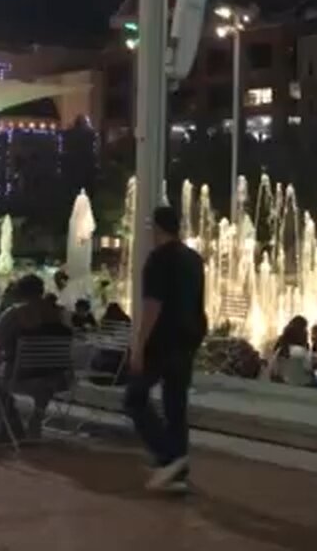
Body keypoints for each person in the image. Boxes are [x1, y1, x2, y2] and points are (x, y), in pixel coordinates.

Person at [125, 206, 207, 492]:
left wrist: (139, 346)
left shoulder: (158, 259)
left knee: (134, 397)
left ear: (157, 228)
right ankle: (177, 473)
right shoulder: (195, 260)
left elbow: (152, 306)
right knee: (176, 405)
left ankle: (169, 455)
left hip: (161, 340)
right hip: (187, 339)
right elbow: (199, 304)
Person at [0, 274, 73, 440]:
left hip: (22, 378)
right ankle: (36, 419)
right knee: (44, 371)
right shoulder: (60, 314)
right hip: (57, 379)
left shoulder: (15, 314)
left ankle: (10, 423)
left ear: (19, 293)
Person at [270, 316, 314, 387]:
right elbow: (308, 369)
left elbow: (273, 369)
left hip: (282, 384)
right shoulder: (302, 352)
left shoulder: (280, 350)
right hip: (302, 384)